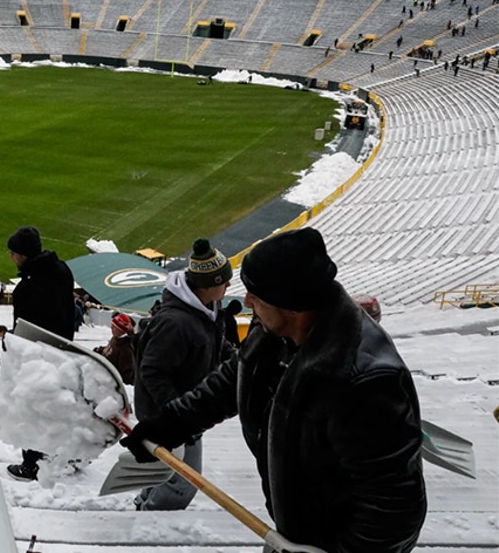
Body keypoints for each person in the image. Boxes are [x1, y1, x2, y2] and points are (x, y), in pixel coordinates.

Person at [122, 228, 426, 551]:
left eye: (257, 295)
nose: (247, 302)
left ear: (293, 305)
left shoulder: (364, 381)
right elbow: (231, 381)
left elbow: (394, 510)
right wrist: (169, 426)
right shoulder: (271, 332)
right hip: (293, 534)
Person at [131, 238, 235, 511]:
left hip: (184, 409)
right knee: (183, 483)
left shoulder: (206, 310)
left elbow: (212, 344)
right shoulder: (176, 323)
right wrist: (177, 413)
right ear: (208, 285)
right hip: (170, 414)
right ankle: (154, 523)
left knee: (160, 471)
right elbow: (153, 372)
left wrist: (235, 358)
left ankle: (143, 507)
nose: (229, 287)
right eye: (224, 282)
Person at [5, 225, 76, 482]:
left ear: (24, 255)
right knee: (55, 406)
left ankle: (31, 464)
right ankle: (65, 453)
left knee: (33, 408)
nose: (11, 258)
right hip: (65, 350)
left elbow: (23, 333)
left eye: (14, 253)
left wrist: (8, 355)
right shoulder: (62, 270)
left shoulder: (27, 288)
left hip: (39, 356)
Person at [98, 313, 136, 385]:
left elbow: (127, 375)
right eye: (112, 325)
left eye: (114, 327)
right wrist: (100, 350)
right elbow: (110, 350)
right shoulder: (116, 338)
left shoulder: (125, 349)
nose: (111, 328)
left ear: (121, 330)